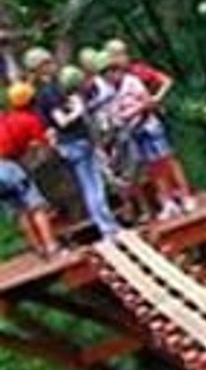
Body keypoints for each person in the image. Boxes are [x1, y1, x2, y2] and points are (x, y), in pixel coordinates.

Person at [103, 42, 193, 218]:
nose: (117, 60)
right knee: (151, 165)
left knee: (167, 159)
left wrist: (155, 98)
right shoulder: (112, 82)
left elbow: (165, 81)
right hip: (135, 126)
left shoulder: (137, 71)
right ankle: (167, 200)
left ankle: (185, 194)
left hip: (150, 118)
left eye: (118, 55)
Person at [46, 65, 120, 238]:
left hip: (76, 143)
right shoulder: (52, 95)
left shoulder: (60, 95)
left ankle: (107, 224)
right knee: (92, 185)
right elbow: (62, 122)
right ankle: (107, 227)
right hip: (74, 143)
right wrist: (78, 110)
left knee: (93, 184)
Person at [0, 82, 61, 258]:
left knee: (19, 212)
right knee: (36, 207)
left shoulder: (6, 120)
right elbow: (40, 146)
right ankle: (51, 246)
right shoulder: (27, 119)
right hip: (10, 167)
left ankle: (38, 249)